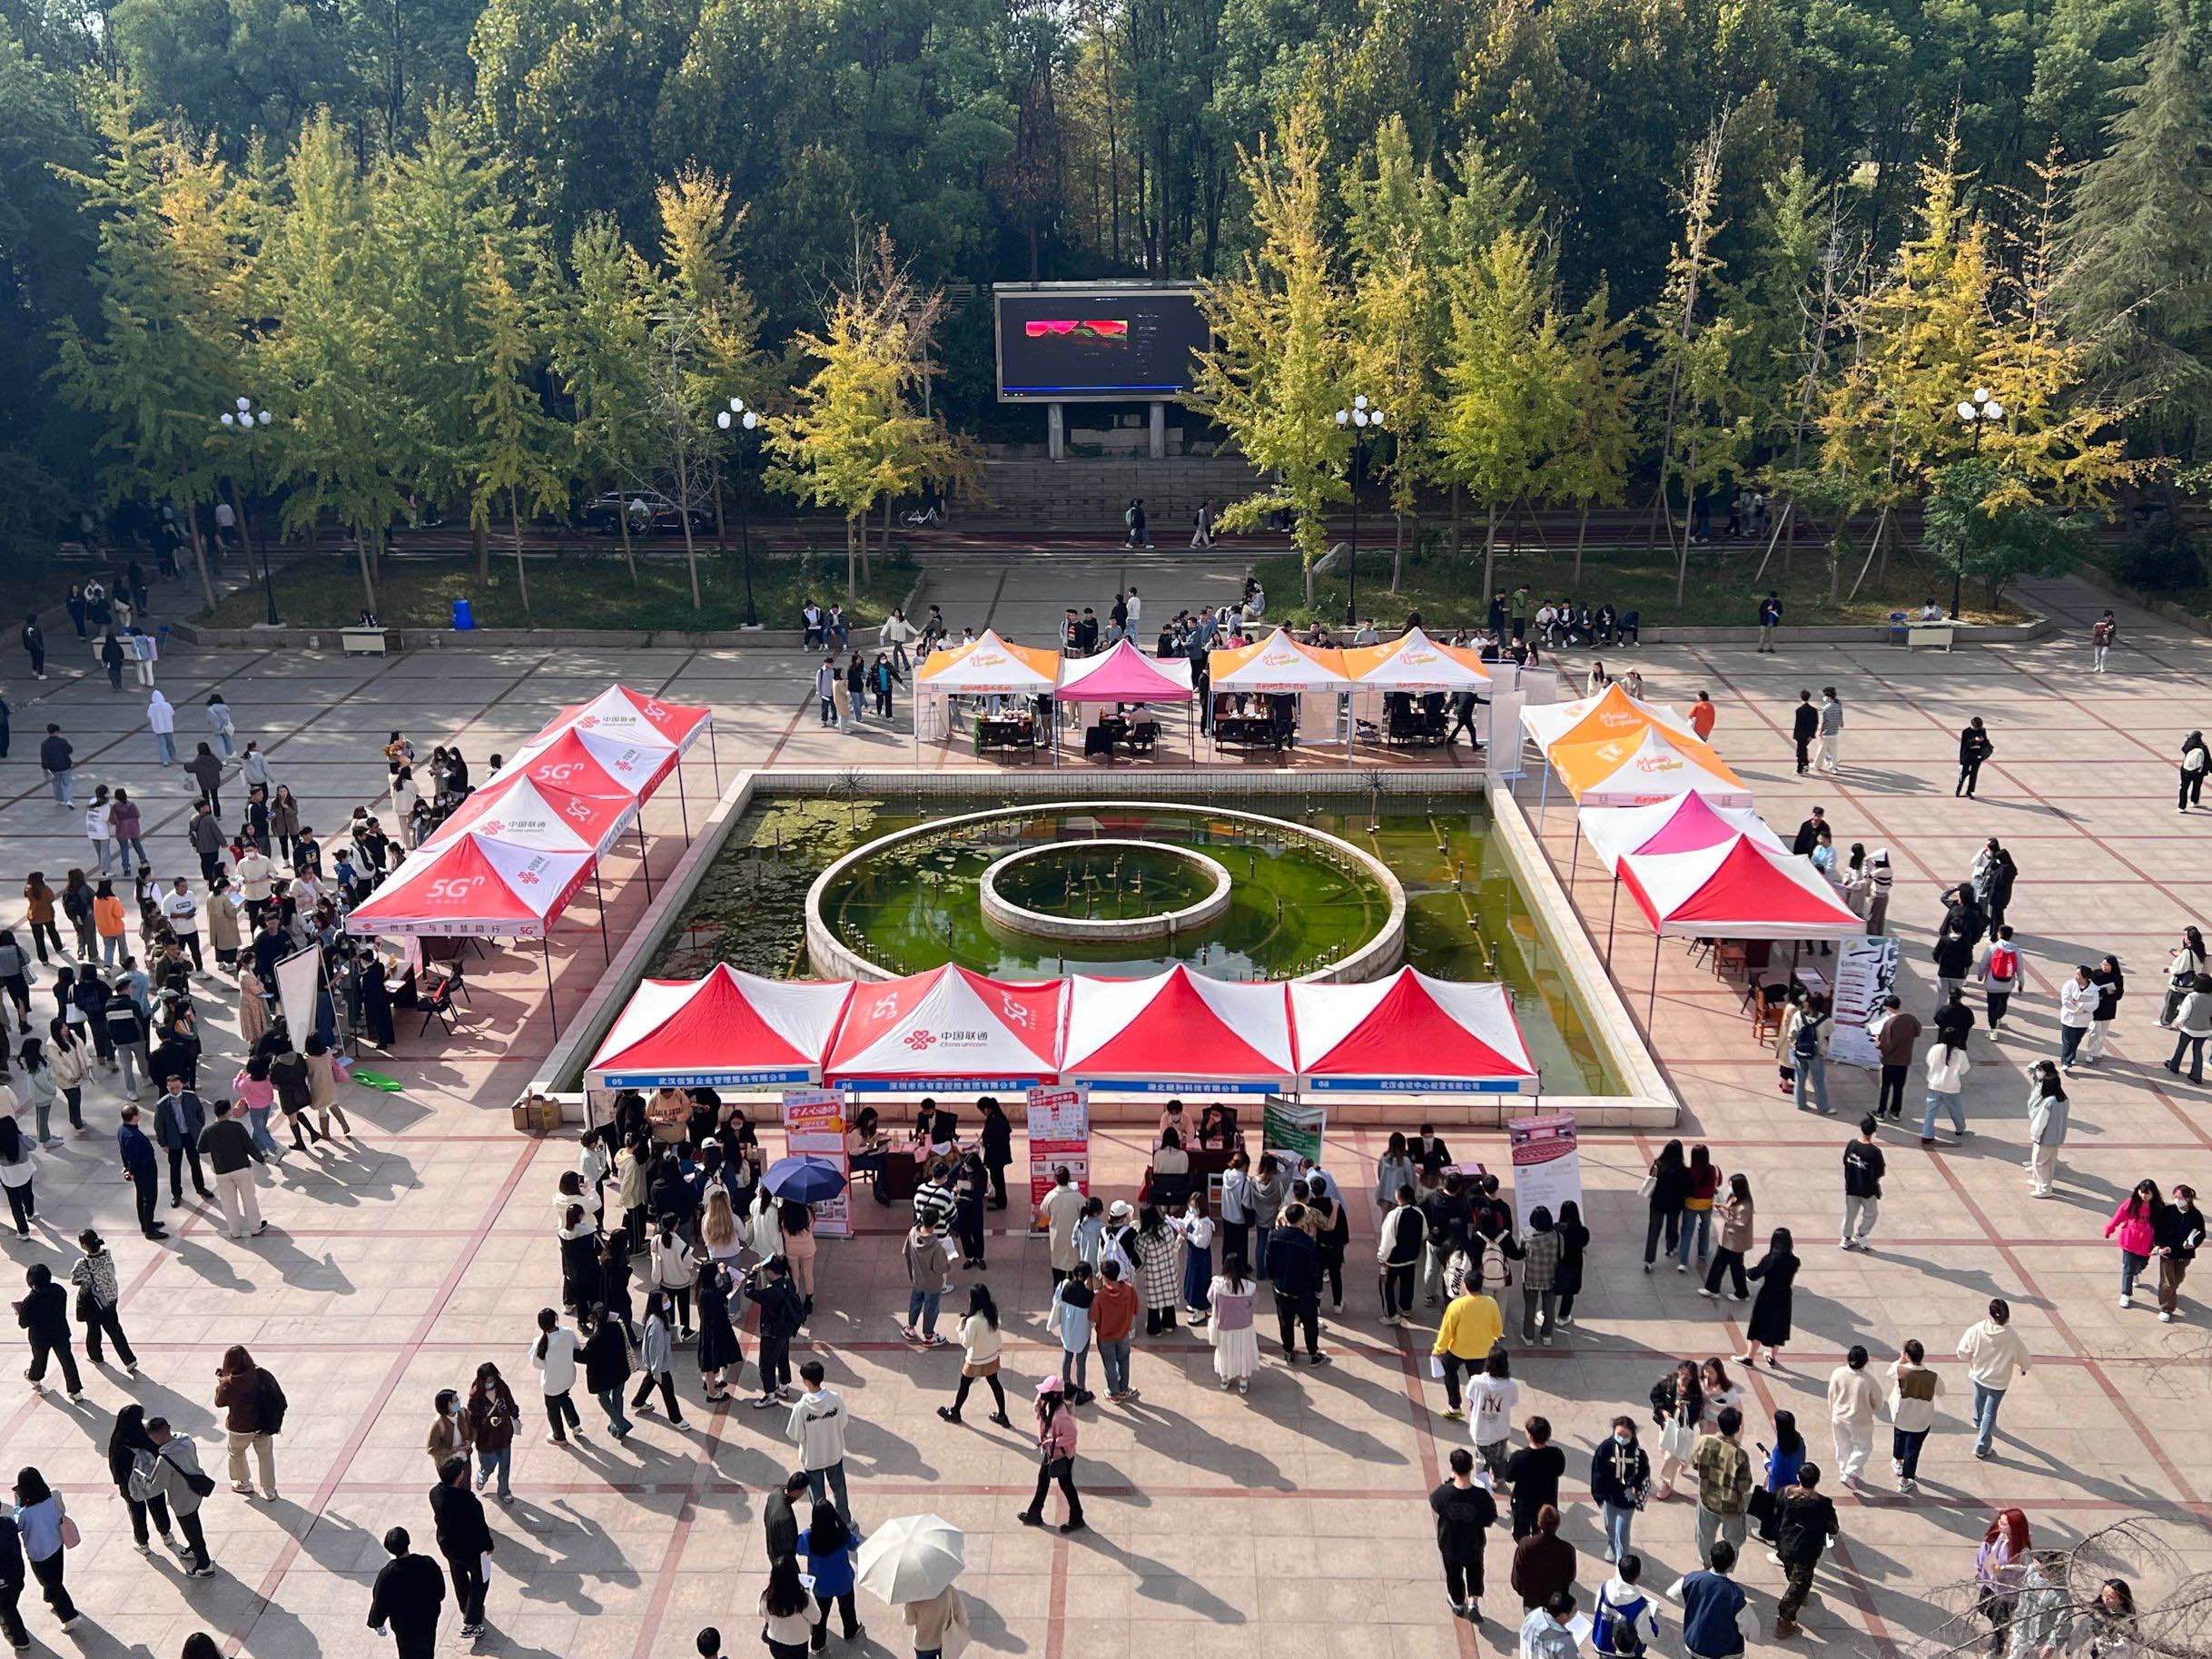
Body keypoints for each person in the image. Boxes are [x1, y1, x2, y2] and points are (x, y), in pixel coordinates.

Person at [1769, 1465, 1839, 1638]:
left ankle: (1800, 1595)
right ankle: (1784, 1621)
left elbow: (1776, 1513)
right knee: (1798, 1586)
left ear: (1798, 1478)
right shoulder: (1823, 1504)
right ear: (1817, 1481)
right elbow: (1833, 1528)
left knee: (1792, 1573)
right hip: (1806, 1552)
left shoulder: (1785, 1493)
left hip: (1786, 1545)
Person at [1957, 1297, 2030, 1459]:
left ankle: (1977, 1420)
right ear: (2007, 1316)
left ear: (1990, 1313)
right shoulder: (2011, 1336)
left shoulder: (1977, 1329)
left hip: (1979, 1375)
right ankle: (1982, 1446)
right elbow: (2023, 1357)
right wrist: (2024, 1367)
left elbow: (1962, 1351)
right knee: (1990, 1413)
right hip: (1999, 1381)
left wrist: (1970, 1358)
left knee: (1979, 1397)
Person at [430, 1454, 494, 1639]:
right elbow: (480, 1527)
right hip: (470, 1549)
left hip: (448, 1546)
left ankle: (466, 1608)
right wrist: (488, 1545)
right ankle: (471, 1622)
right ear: (459, 1476)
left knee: (459, 1577)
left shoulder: (435, 1494)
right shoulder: (468, 1501)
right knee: (480, 1581)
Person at [12, 1469, 77, 1633]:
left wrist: (17, 1505)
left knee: (50, 1583)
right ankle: (51, 1598)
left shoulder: (25, 1513)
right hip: (56, 1545)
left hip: (38, 1554)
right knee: (55, 1578)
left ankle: (69, 1616)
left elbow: (17, 1526)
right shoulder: (52, 1499)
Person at [366, 1526, 447, 1659]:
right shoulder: (427, 1563)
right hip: (428, 1619)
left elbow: (380, 1602)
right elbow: (440, 1593)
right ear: (408, 1542)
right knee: (427, 1650)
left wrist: (376, 1622)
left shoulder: (387, 1575)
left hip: (404, 1626)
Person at [1017, 1376, 1084, 1534]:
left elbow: (1071, 1436)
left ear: (1053, 1395)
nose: (1041, 1394)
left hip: (1061, 1456)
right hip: (1051, 1452)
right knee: (1043, 1480)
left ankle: (1077, 1518)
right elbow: (1037, 1406)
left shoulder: (1060, 1416)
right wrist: (1043, 1393)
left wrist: (1051, 1441)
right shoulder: (1047, 1405)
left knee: (1066, 1485)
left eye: (1045, 1392)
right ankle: (1034, 1514)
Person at [215, 1343, 283, 1497]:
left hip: (239, 1428)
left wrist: (221, 1383)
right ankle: (269, 1491)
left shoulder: (228, 1384)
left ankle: (244, 1483)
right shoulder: (263, 1375)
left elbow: (219, 1402)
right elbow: (277, 1395)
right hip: (263, 1425)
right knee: (266, 1456)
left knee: (236, 1453)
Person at [787, 1361, 851, 1521]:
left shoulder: (801, 1408)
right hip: (833, 1454)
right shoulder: (835, 1399)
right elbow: (843, 1422)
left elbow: (796, 1435)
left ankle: (822, 1525)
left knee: (818, 1498)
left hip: (813, 1459)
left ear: (807, 1382)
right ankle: (845, 1522)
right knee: (840, 1491)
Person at [939, 1284, 1011, 1425]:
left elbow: (966, 1343)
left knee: (964, 1385)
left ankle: (955, 1412)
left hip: (976, 1360)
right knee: (995, 1383)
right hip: (992, 1356)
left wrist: (961, 1328)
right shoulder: (993, 1312)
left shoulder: (973, 1322)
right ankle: (1002, 1415)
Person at [199, 1098, 270, 1237]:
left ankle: (235, 1231)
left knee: (228, 1203)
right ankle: (255, 1227)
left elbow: (201, 1150)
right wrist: (260, 1159)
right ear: (228, 1112)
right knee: (249, 1199)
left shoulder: (208, 1131)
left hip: (222, 1172)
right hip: (241, 1169)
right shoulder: (237, 1127)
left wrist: (214, 1160)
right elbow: (249, 1145)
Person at [1691, 1407, 1752, 1566]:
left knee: (1705, 1535)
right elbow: (1744, 1485)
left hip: (1707, 1499)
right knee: (1733, 1541)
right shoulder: (1740, 1455)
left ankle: (1706, 1562)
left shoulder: (1705, 1442)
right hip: (1731, 1507)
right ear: (1737, 1428)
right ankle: (1725, 1567)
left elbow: (1695, 1464)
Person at [69, 1230, 136, 1374]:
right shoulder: (107, 1253)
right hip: (111, 1297)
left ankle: (96, 1356)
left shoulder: (82, 1263)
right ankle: (129, 1359)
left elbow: (75, 1280)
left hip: (95, 1301)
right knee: (114, 1328)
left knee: (93, 1329)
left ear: (84, 1245)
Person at [1591, 1417, 1650, 1566]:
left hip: (1627, 1499)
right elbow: (1597, 1472)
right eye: (1619, 1434)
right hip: (1609, 1497)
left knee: (1622, 1532)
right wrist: (1598, 1495)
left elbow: (1643, 1471)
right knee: (1610, 1526)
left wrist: (1635, 1484)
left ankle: (1622, 1562)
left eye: (1626, 1435)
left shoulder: (1638, 1452)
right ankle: (1612, 1546)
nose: (1622, 1438)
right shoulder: (1605, 1448)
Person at [802, 1506, 864, 1648]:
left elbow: (798, 1548)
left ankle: (818, 1644)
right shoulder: (842, 1533)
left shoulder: (809, 1537)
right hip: (843, 1582)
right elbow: (854, 1544)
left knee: (820, 1616)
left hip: (821, 1586)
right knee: (848, 1610)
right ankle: (851, 1631)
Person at [1886, 1338, 1941, 1492]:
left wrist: (1901, 1360)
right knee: (1913, 1450)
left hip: (1901, 1417)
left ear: (1907, 1355)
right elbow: (1942, 1391)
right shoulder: (1932, 1376)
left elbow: (1889, 1372)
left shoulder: (1900, 1371)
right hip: (1921, 1421)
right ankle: (1905, 1481)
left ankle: (1898, 1461)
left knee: (1899, 1439)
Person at [16, 1265, 79, 1402]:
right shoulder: (59, 1290)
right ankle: (75, 1390)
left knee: (40, 1359)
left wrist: (20, 1313)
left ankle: (35, 1377)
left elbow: (23, 1324)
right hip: (60, 1331)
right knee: (67, 1360)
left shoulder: (30, 1300)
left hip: (40, 1336)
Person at [1975, 1509, 2032, 1659]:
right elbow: (1984, 1555)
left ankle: (1997, 1648)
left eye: (2004, 1523)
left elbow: (2024, 1570)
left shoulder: (2021, 1550)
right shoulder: (1996, 1537)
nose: (1999, 1524)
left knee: (2000, 1622)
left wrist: (2004, 1570)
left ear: (2015, 1527)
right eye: (2000, 1521)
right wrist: (1981, 1571)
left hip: (2006, 1593)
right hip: (1990, 1584)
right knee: (1985, 1608)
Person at [1740, 1227, 1798, 1368]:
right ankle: (1772, 1357)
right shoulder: (1795, 1261)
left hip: (1768, 1295)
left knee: (1759, 1326)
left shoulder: (1771, 1259)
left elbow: (1754, 1275)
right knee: (1778, 1326)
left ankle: (1749, 1358)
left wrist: (1746, 1270)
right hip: (1784, 1297)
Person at [1824, 1345, 1881, 1487]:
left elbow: (1831, 1395)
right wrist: (1871, 1410)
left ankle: (1844, 1472)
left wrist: (1833, 1410)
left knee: (1842, 1445)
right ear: (1866, 1361)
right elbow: (1878, 1403)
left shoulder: (1838, 1373)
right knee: (1864, 1447)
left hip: (1838, 1417)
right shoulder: (1869, 1381)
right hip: (1860, 1421)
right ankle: (1850, 1472)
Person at [1506, 1417, 1567, 1541]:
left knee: (1522, 1530)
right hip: (1546, 1502)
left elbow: (1508, 1477)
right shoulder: (1556, 1454)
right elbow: (1560, 1471)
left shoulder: (1519, 1457)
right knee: (1541, 1529)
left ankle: (1523, 1544)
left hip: (1524, 1504)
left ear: (1529, 1435)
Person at [2107, 1179, 2164, 1309]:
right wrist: (2110, 1227)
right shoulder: (2131, 1202)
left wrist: (2161, 1242)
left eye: (2147, 1193)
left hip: (2146, 1244)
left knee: (2142, 1264)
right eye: (2142, 1192)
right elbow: (2119, 1215)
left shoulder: (2158, 1207)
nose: (2144, 1195)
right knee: (2128, 1268)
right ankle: (2126, 1294)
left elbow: (2162, 1226)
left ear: (2153, 1194)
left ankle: (2136, 1273)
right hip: (2130, 1240)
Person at [580, 1305, 635, 1439]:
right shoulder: (617, 1327)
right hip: (620, 1371)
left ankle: (621, 1424)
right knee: (617, 1396)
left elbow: (584, 1357)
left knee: (603, 1399)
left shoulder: (595, 1340)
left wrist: (571, 1350)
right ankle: (616, 1427)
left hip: (604, 1377)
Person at [1509, 1506, 1575, 1613]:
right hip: (1555, 1602)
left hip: (1532, 1602)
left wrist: (1525, 1593)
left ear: (1539, 1523)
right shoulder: (1567, 1550)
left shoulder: (1525, 1545)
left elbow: (1517, 1577)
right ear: (1558, 1524)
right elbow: (1570, 1577)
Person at [1210, 1256, 1259, 1393]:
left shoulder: (1217, 1284)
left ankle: (1225, 1379)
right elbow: (1255, 1302)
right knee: (1243, 1353)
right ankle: (1243, 1381)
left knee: (1225, 1353)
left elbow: (1210, 1298)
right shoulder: (1250, 1287)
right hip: (1245, 1327)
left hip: (1224, 1327)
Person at [1699, 1173, 1753, 1299]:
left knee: (1736, 1268)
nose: (1730, 1188)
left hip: (1736, 1243)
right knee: (1719, 1263)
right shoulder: (1735, 1198)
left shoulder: (1745, 1206)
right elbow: (1728, 1209)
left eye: (1731, 1185)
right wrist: (1722, 1207)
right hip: (1729, 1240)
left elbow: (1740, 1224)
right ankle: (1712, 1288)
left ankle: (1741, 1293)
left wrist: (1725, 1215)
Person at [902, 1216, 953, 1346]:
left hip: (917, 1278)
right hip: (932, 1284)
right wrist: (948, 1261)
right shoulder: (936, 1246)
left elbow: (906, 1251)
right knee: (931, 1308)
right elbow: (941, 1268)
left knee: (915, 1302)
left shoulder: (913, 1233)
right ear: (935, 1224)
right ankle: (929, 1336)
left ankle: (910, 1328)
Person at [1642, 1140, 1689, 1269]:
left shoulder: (1658, 1164)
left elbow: (1651, 1177)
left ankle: (1649, 1260)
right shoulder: (1681, 1170)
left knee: (1654, 1230)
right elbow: (1685, 1188)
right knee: (1672, 1227)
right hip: (1674, 1204)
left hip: (1657, 1202)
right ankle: (1670, 1248)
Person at [1921, 1032, 1970, 1145]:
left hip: (1934, 1085)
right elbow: (1964, 1070)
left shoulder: (1935, 1048)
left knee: (1930, 1112)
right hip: (1951, 1087)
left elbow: (1929, 1061)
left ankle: (1926, 1135)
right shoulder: (1960, 1054)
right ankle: (1960, 1129)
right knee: (1956, 1110)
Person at [901, 1582, 968, 1659]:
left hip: (924, 1644)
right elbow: (959, 1612)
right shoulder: (948, 1589)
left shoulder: (913, 1597)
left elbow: (909, 1621)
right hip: (945, 1641)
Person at [1958, 716, 1994, 797]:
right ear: (1973, 725)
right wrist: (1975, 740)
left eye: (1979, 728)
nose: (1978, 729)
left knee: (1974, 774)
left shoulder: (1982, 730)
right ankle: (1958, 790)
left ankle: (1969, 791)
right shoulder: (1966, 732)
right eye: (1976, 728)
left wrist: (1983, 741)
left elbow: (1985, 741)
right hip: (1968, 755)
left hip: (1978, 755)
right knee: (1964, 774)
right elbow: (1965, 745)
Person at [1790, 691, 1817, 775]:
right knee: (1804, 749)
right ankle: (1806, 765)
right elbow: (1815, 723)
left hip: (1800, 734)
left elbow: (1798, 724)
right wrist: (1812, 734)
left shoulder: (1799, 710)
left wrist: (1796, 735)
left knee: (1800, 751)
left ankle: (1800, 769)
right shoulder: (1813, 710)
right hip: (1808, 735)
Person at [2182, 731, 2209, 811]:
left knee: (2184, 788)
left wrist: (2188, 740)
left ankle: (2181, 807)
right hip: (2199, 771)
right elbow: (2208, 759)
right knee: (2196, 787)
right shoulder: (2203, 747)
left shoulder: (2189, 745)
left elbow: (2183, 749)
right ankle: (2194, 802)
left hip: (2187, 770)